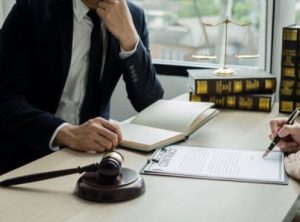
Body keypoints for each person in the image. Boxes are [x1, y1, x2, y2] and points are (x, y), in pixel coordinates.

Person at [0, 0, 164, 174]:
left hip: (92, 159)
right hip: (26, 154)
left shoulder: (132, 15)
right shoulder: (32, 8)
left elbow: (149, 102)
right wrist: (66, 133)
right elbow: (4, 98)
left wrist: (129, 37)